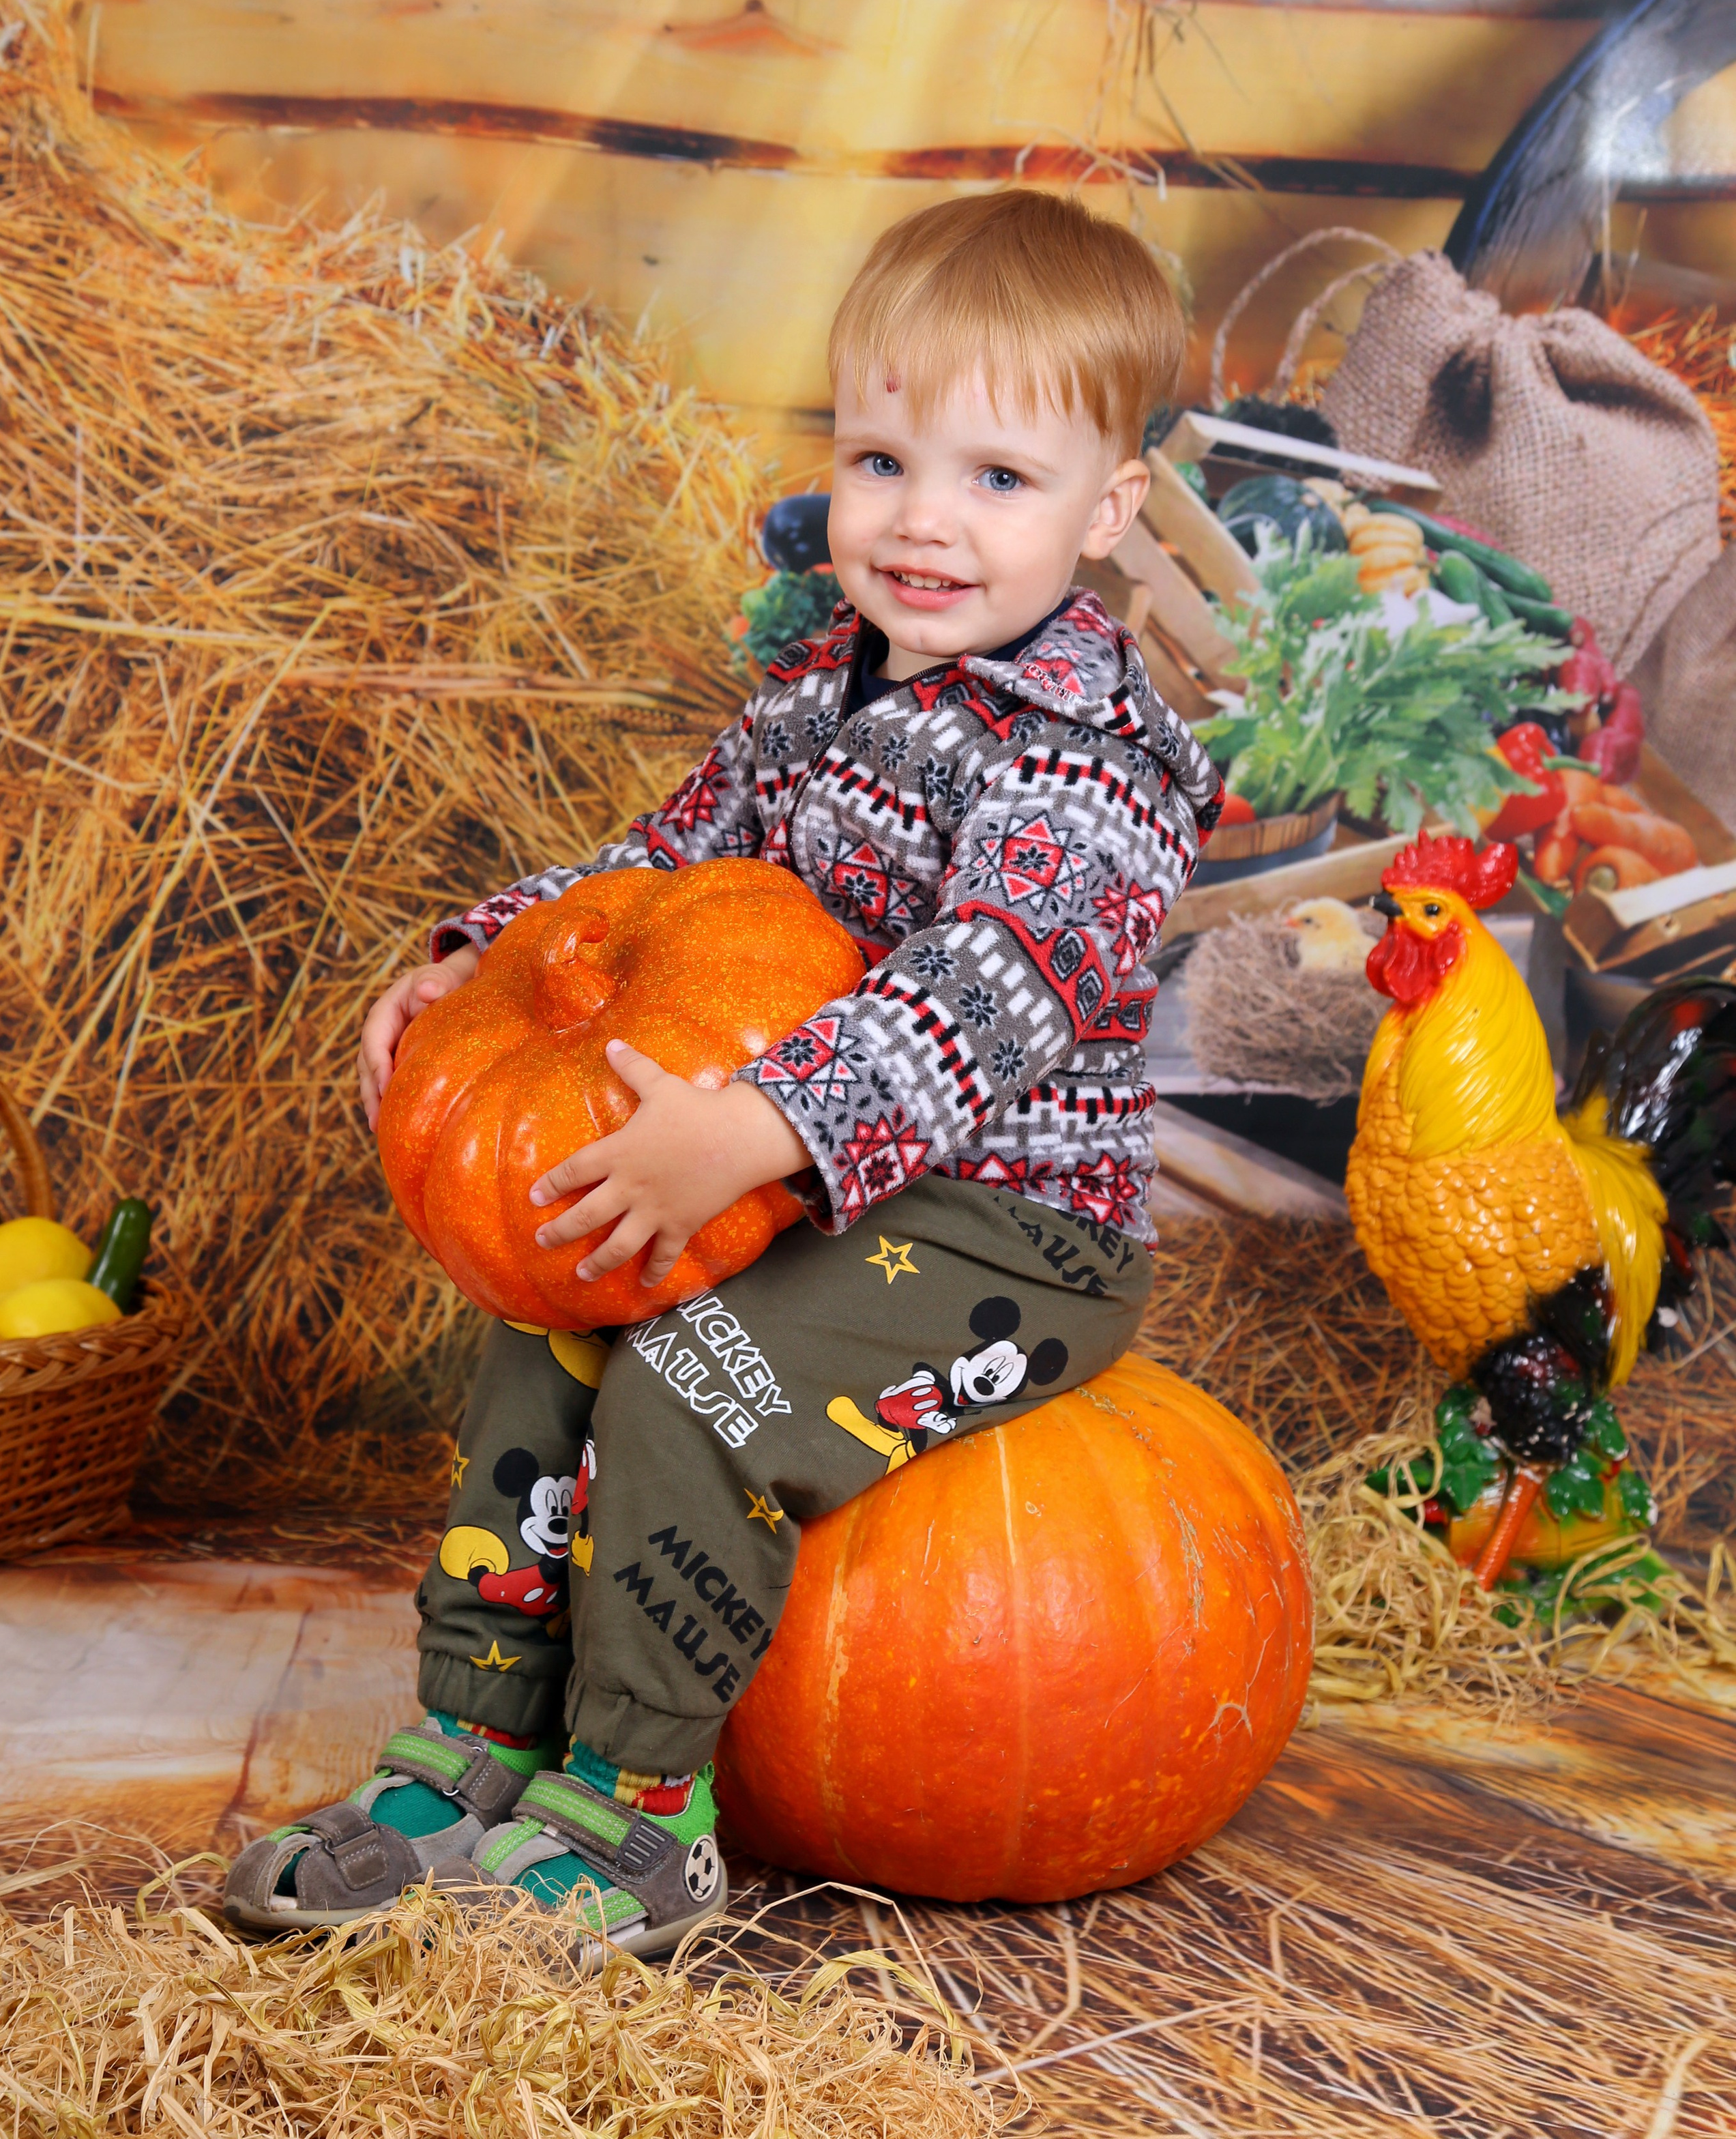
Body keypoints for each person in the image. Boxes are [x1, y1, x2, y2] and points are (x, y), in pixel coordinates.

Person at [223, 188, 1222, 1951]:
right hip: (779, 1173)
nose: (924, 522)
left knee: (691, 1378)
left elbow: (994, 995)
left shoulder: (1094, 766)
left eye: (1000, 480)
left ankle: (637, 1811)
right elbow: (656, 878)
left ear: (1109, 512)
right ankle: (472, 1742)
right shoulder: (810, 700)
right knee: (549, 1315)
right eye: (884, 460)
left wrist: (758, 1130)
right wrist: (482, 958)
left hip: (1003, 1231)